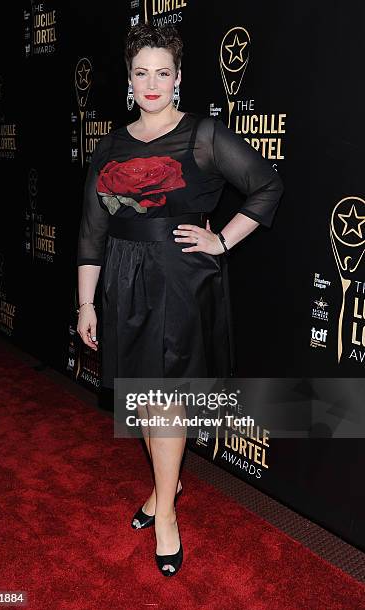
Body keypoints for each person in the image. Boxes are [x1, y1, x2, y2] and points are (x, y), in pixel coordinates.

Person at [76, 23, 283, 576]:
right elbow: (91, 233)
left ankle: (165, 511)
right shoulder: (110, 145)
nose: (151, 83)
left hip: (181, 278)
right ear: (128, 79)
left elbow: (267, 185)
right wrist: (86, 304)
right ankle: (163, 490)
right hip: (122, 279)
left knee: (165, 396)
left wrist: (222, 238)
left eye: (161, 73)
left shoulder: (203, 135)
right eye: (140, 72)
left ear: (178, 78)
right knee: (142, 398)